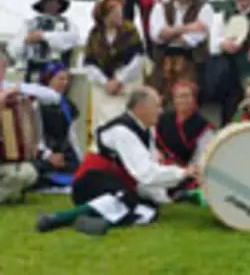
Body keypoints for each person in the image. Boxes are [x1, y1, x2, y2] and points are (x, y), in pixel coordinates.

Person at [36, 87, 198, 235]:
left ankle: (95, 220)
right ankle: (59, 218)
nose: (161, 111)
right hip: (89, 183)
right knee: (124, 199)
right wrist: (183, 173)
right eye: (157, 106)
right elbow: (145, 173)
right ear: (141, 108)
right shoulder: (122, 131)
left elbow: (149, 168)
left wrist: (163, 198)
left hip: (112, 184)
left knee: (149, 211)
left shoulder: (145, 131)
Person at [1, 52, 63, 203]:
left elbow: (54, 97)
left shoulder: (9, 89)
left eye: (1, 68)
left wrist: (19, 88)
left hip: (5, 161)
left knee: (29, 173)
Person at [149, 0, 214, 101]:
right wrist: (189, 27)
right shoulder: (160, 7)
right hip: (162, 62)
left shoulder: (204, 8)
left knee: (186, 100)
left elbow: (193, 39)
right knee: (156, 101)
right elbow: (158, 36)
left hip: (191, 62)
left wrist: (170, 32)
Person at [82, 0, 146, 128]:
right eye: (115, 12)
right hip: (103, 87)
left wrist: (120, 80)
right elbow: (89, 63)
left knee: (127, 121)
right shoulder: (95, 34)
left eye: (120, 11)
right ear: (105, 15)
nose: (119, 15)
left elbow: (138, 58)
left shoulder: (130, 30)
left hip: (127, 84)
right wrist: (105, 82)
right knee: (104, 124)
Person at [8, 0, 79, 82]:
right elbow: (13, 49)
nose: (51, 6)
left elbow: (67, 42)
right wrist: (25, 41)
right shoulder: (30, 23)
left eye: (54, 3)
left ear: (59, 5)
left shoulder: (68, 24)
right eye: (48, 3)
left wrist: (44, 36)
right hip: (33, 70)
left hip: (57, 72)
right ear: (43, 5)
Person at [34, 62, 82, 191]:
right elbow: (35, 135)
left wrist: (80, 159)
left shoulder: (69, 106)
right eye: (61, 79)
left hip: (64, 152)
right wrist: (48, 155)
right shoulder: (35, 103)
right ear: (48, 79)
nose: (65, 83)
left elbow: (72, 136)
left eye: (67, 79)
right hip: (42, 152)